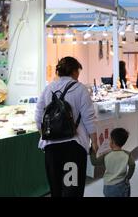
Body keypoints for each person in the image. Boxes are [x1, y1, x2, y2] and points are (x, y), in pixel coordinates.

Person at [35, 57, 98, 197]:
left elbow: (38, 117)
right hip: (73, 147)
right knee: (72, 189)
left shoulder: (48, 88)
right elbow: (89, 118)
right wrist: (94, 141)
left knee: (56, 189)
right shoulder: (80, 89)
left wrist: (46, 135)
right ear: (74, 71)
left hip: (51, 148)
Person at [90, 128, 135, 197]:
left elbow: (94, 162)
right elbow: (132, 165)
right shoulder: (127, 154)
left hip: (108, 186)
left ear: (112, 142)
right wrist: (128, 177)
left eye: (110, 139)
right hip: (122, 184)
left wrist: (92, 151)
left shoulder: (106, 155)